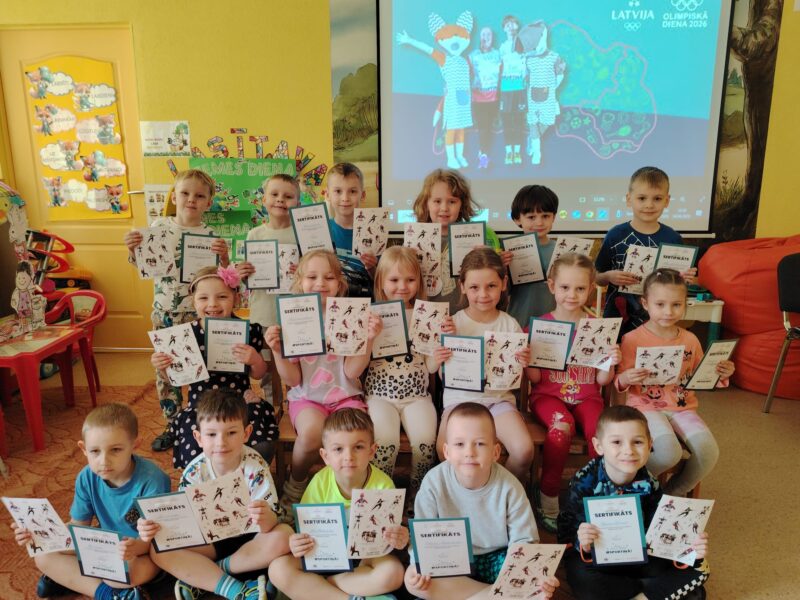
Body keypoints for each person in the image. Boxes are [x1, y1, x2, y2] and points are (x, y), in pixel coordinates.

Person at [137, 390, 291, 600]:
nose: (221, 442)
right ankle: (235, 590)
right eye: (211, 434)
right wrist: (156, 525)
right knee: (158, 550)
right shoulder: (193, 472)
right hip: (209, 543)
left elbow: (271, 523)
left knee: (284, 535)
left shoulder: (256, 466)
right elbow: (183, 526)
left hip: (251, 540)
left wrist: (266, 518)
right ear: (198, 437)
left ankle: (210, 574)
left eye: (231, 433)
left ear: (246, 433)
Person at [265, 250, 381, 514]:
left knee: (354, 436)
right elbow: (293, 379)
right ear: (300, 282)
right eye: (312, 277)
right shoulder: (294, 317)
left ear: (340, 283)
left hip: (346, 397)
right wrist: (276, 351)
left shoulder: (349, 315)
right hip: (307, 398)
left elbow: (351, 372)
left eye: (329, 277)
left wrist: (368, 340)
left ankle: (354, 491)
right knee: (311, 434)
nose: (320, 283)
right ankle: (296, 485)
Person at [13, 404, 170, 600]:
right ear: (83, 449)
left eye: (115, 450)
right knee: (42, 556)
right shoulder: (86, 477)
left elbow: (157, 540)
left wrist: (132, 548)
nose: (104, 461)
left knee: (123, 572)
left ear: (135, 445)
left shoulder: (153, 480)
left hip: (143, 553)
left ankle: (78, 579)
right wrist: (39, 533)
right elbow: (78, 526)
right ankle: (108, 594)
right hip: (105, 545)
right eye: (95, 451)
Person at [405, 403, 559, 600]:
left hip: (495, 557)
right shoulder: (434, 482)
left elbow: (524, 540)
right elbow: (422, 536)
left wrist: (534, 577)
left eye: (479, 444)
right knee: (412, 577)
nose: (469, 452)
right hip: (449, 560)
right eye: (459, 444)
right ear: (447, 452)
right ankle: (496, 595)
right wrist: (420, 564)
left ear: (495, 452)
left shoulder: (510, 486)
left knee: (534, 581)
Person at [557, 405, 710, 600]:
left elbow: (660, 533)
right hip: (597, 557)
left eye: (637, 442)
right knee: (584, 579)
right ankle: (653, 591)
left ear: (650, 445)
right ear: (599, 446)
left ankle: (641, 593)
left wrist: (689, 549)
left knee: (696, 568)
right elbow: (567, 534)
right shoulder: (583, 481)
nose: (628, 451)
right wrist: (584, 543)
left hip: (638, 554)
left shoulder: (650, 482)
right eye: (617, 442)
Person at [124, 169, 229, 451]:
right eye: (185, 193)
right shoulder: (158, 227)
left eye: (199, 196)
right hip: (165, 313)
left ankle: (201, 422)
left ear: (209, 203)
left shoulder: (211, 236)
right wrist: (133, 250)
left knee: (200, 369)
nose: (191, 199)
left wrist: (224, 257)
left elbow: (221, 278)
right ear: (174, 197)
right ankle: (172, 424)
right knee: (166, 369)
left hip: (199, 315)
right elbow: (143, 265)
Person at [525, 253, 621, 532]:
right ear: (552, 286)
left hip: (588, 397)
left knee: (599, 434)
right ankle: (548, 497)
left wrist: (610, 361)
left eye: (580, 288)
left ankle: (597, 497)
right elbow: (535, 379)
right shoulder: (539, 326)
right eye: (565, 287)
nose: (572, 295)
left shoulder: (598, 327)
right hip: (547, 397)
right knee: (561, 428)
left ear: (590, 289)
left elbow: (602, 380)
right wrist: (528, 359)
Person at [616, 269, 734, 496]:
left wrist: (722, 372)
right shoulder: (632, 339)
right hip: (645, 406)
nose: (668, 312)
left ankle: (670, 496)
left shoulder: (690, 339)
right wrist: (626, 378)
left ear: (685, 305)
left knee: (708, 452)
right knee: (668, 452)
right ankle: (631, 486)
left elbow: (702, 374)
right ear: (645, 304)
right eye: (660, 304)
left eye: (676, 305)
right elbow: (619, 381)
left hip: (682, 407)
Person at [269, 409, 407, 599]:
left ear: (372, 451)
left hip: (362, 562)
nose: (348, 456)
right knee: (277, 569)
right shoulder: (319, 482)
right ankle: (348, 596)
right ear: (325, 456)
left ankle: (318, 589)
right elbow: (305, 531)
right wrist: (297, 541)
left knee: (394, 573)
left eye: (358, 447)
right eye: (338, 449)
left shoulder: (383, 486)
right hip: (322, 556)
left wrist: (399, 537)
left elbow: (387, 538)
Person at [151, 265, 278, 470]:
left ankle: (245, 481)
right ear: (193, 301)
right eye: (203, 298)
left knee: (261, 444)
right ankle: (209, 483)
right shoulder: (185, 335)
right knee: (195, 451)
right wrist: (164, 368)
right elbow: (176, 379)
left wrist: (255, 360)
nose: (212, 304)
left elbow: (258, 374)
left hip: (239, 402)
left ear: (236, 298)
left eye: (222, 297)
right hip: (201, 406)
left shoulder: (248, 330)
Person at [435, 247, 532, 483]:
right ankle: (463, 492)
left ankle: (499, 491)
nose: (483, 294)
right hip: (459, 402)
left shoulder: (510, 325)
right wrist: (443, 355)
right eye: (474, 287)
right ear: (462, 287)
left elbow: (516, 375)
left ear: (504, 284)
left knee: (524, 451)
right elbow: (442, 376)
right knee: (442, 449)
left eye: (491, 286)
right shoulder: (452, 324)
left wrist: (524, 362)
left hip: (498, 402)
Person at [366, 246, 438, 499]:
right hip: (379, 396)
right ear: (381, 282)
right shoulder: (371, 315)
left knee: (425, 442)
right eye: (394, 280)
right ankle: (382, 495)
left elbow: (430, 367)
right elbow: (358, 364)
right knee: (385, 442)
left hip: (417, 396)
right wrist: (369, 335)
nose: (402, 287)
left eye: (410, 280)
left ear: (419, 282)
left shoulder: (425, 315)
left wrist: (439, 353)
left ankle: (420, 494)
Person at [595, 166, 696, 336]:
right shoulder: (615, 235)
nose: (649, 205)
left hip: (659, 321)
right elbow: (597, 277)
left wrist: (684, 278)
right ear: (629, 199)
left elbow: (680, 285)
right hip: (617, 319)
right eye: (642, 198)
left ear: (667, 201)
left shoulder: (673, 238)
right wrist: (608, 276)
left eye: (657, 198)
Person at [235, 174, 300, 398]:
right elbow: (249, 280)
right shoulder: (255, 234)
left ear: (297, 202)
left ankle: (296, 403)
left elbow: (313, 273)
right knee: (268, 368)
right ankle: (273, 405)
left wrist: (302, 271)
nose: (280, 199)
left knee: (295, 363)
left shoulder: (301, 234)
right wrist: (244, 274)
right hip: (264, 313)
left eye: (288, 196)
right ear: (264, 200)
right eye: (274, 194)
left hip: (295, 313)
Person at [412, 169, 502, 315]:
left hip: (466, 317)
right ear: (426, 204)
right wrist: (407, 259)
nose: (444, 208)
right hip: (425, 316)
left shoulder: (474, 239)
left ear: (462, 205)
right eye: (437, 201)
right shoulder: (415, 239)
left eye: (452, 201)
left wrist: (491, 261)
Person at [505, 184, 559, 328]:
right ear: (517, 219)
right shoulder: (509, 253)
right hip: (519, 323)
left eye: (545, 216)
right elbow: (502, 292)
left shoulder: (561, 252)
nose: (539, 222)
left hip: (554, 327)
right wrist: (501, 268)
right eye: (531, 217)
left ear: (554, 217)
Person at [326, 162, 376, 298]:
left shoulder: (374, 232)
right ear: (327, 195)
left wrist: (372, 267)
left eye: (352, 191)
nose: (345, 198)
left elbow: (382, 280)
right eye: (338, 191)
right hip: (330, 305)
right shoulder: (321, 230)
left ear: (363, 195)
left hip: (365, 304)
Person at [469, 26, 501, 169]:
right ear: (480, 37)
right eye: (484, 34)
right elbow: (466, 74)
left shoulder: (498, 55)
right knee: (484, 128)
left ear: (492, 38)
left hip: (494, 99)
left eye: (489, 34)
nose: (486, 37)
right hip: (478, 99)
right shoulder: (473, 56)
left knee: (489, 129)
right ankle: (483, 157)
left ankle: (484, 153)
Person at [498, 15, 526, 166]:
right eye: (507, 25)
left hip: (520, 87)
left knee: (519, 121)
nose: (510, 27)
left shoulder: (523, 46)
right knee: (507, 121)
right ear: (504, 29)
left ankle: (518, 151)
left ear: (517, 27)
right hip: (506, 88)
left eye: (513, 24)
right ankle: (509, 152)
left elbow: (525, 67)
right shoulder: (502, 48)